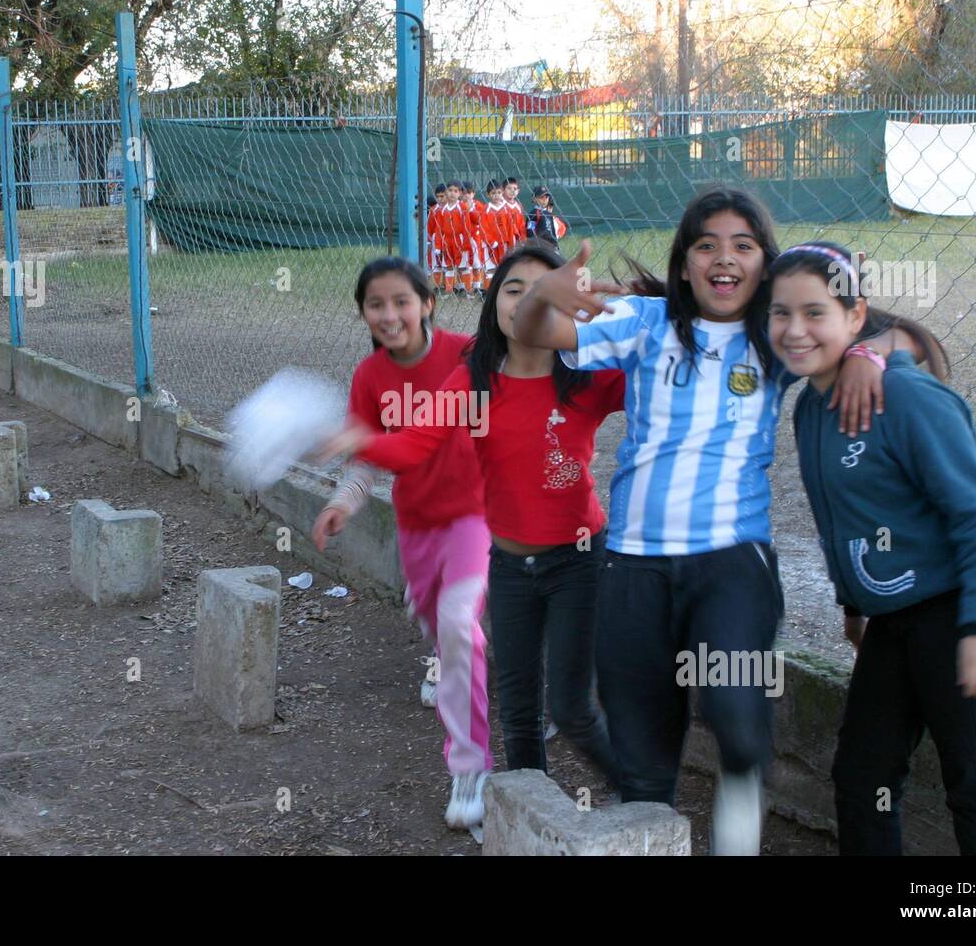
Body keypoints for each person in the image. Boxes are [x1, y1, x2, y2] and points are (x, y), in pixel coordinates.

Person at [512, 185, 907, 854]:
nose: (724, 259)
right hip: (633, 562)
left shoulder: (779, 334)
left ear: (765, 262)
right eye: (706, 245)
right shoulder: (645, 320)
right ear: (685, 260)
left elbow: (902, 335)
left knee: (736, 715)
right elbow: (531, 333)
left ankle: (742, 792)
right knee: (641, 752)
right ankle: (648, 825)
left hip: (731, 559)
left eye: (743, 245)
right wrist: (543, 292)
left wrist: (870, 352)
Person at [767, 240, 976, 855]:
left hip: (964, 610)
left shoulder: (907, 398)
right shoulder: (810, 407)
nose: (796, 329)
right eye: (781, 313)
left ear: (855, 316)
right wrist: (852, 606)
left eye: (815, 312)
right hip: (894, 621)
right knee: (862, 779)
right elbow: (840, 517)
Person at [320, 242, 623, 787]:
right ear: (493, 303)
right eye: (513, 289)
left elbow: (665, 380)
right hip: (504, 563)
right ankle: (530, 821)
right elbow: (411, 447)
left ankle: (639, 796)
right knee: (519, 715)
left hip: (572, 559)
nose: (527, 300)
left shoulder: (590, 379)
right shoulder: (474, 378)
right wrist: (352, 442)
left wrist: (642, 312)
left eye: (542, 289)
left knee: (572, 710)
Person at [312, 257, 492, 830]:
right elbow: (367, 461)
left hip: (474, 518)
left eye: (401, 301)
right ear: (363, 312)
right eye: (375, 304)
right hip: (416, 528)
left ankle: (470, 767)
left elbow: (412, 443)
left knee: (460, 622)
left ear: (428, 303)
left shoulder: (465, 354)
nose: (389, 315)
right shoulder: (369, 377)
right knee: (439, 624)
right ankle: (447, 659)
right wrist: (342, 503)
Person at [526, 186, 559, 250]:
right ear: (534, 199)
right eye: (541, 197)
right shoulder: (533, 213)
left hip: (551, 245)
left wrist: (556, 245)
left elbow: (552, 230)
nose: (544, 200)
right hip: (540, 246)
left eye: (546, 197)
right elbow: (530, 231)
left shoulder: (548, 213)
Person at [503, 177, 528, 247]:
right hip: (503, 239)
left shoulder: (518, 206)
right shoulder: (499, 205)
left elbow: (521, 225)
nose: (512, 191)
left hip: (516, 240)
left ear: (518, 191)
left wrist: (523, 238)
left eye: (515, 189)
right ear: (503, 190)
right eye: (509, 188)